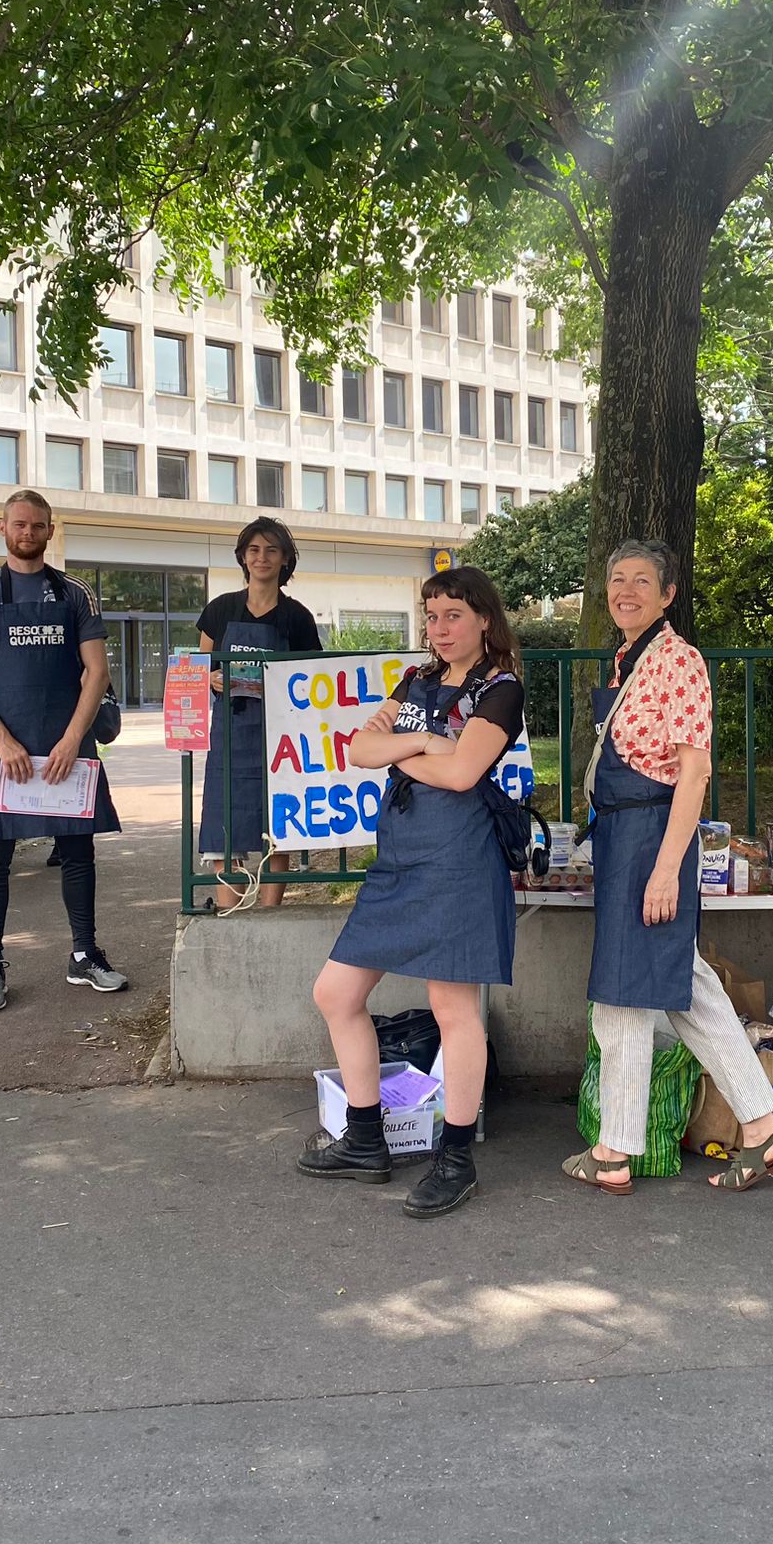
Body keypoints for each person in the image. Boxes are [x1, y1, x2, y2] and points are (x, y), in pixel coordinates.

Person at [561, 539, 773, 1193]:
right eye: (616, 579)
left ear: (667, 594)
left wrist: (665, 870)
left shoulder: (679, 660)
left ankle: (615, 1150)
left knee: (624, 995)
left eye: (642, 580)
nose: (625, 590)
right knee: (684, 986)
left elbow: (694, 775)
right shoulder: (626, 659)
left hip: (652, 839)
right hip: (625, 838)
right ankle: (761, 1126)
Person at [299, 566, 525, 1217]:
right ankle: (365, 1140)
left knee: (454, 1011)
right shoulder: (417, 680)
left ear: (484, 618)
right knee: (336, 992)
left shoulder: (501, 689)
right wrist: (425, 740)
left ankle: (456, 1158)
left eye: (453, 614)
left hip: (458, 861)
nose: (440, 628)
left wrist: (407, 748)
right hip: (398, 860)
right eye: (431, 616)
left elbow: (461, 775)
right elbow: (358, 749)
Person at [0, 490, 128, 1013]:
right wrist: (3, 741)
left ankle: (84, 954)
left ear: (51, 531)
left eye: (38, 525)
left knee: (78, 851)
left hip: (68, 744)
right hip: (4, 752)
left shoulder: (75, 594)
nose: (28, 532)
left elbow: (96, 671)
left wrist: (73, 739)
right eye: (19, 524)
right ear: (2, 528)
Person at [196, 517, 321, 909]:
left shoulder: (297, 617)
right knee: (223, 830)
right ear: (243, 558)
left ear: (285, 559)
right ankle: (230, 912)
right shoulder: (220, 609)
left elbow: (314, 678)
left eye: (271, 550)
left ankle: (270, 913)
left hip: (281, 739)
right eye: (254, 550)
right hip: (230, 738)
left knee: (278, 828)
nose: (262, 557)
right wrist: (212, 678)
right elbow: (199, 669)